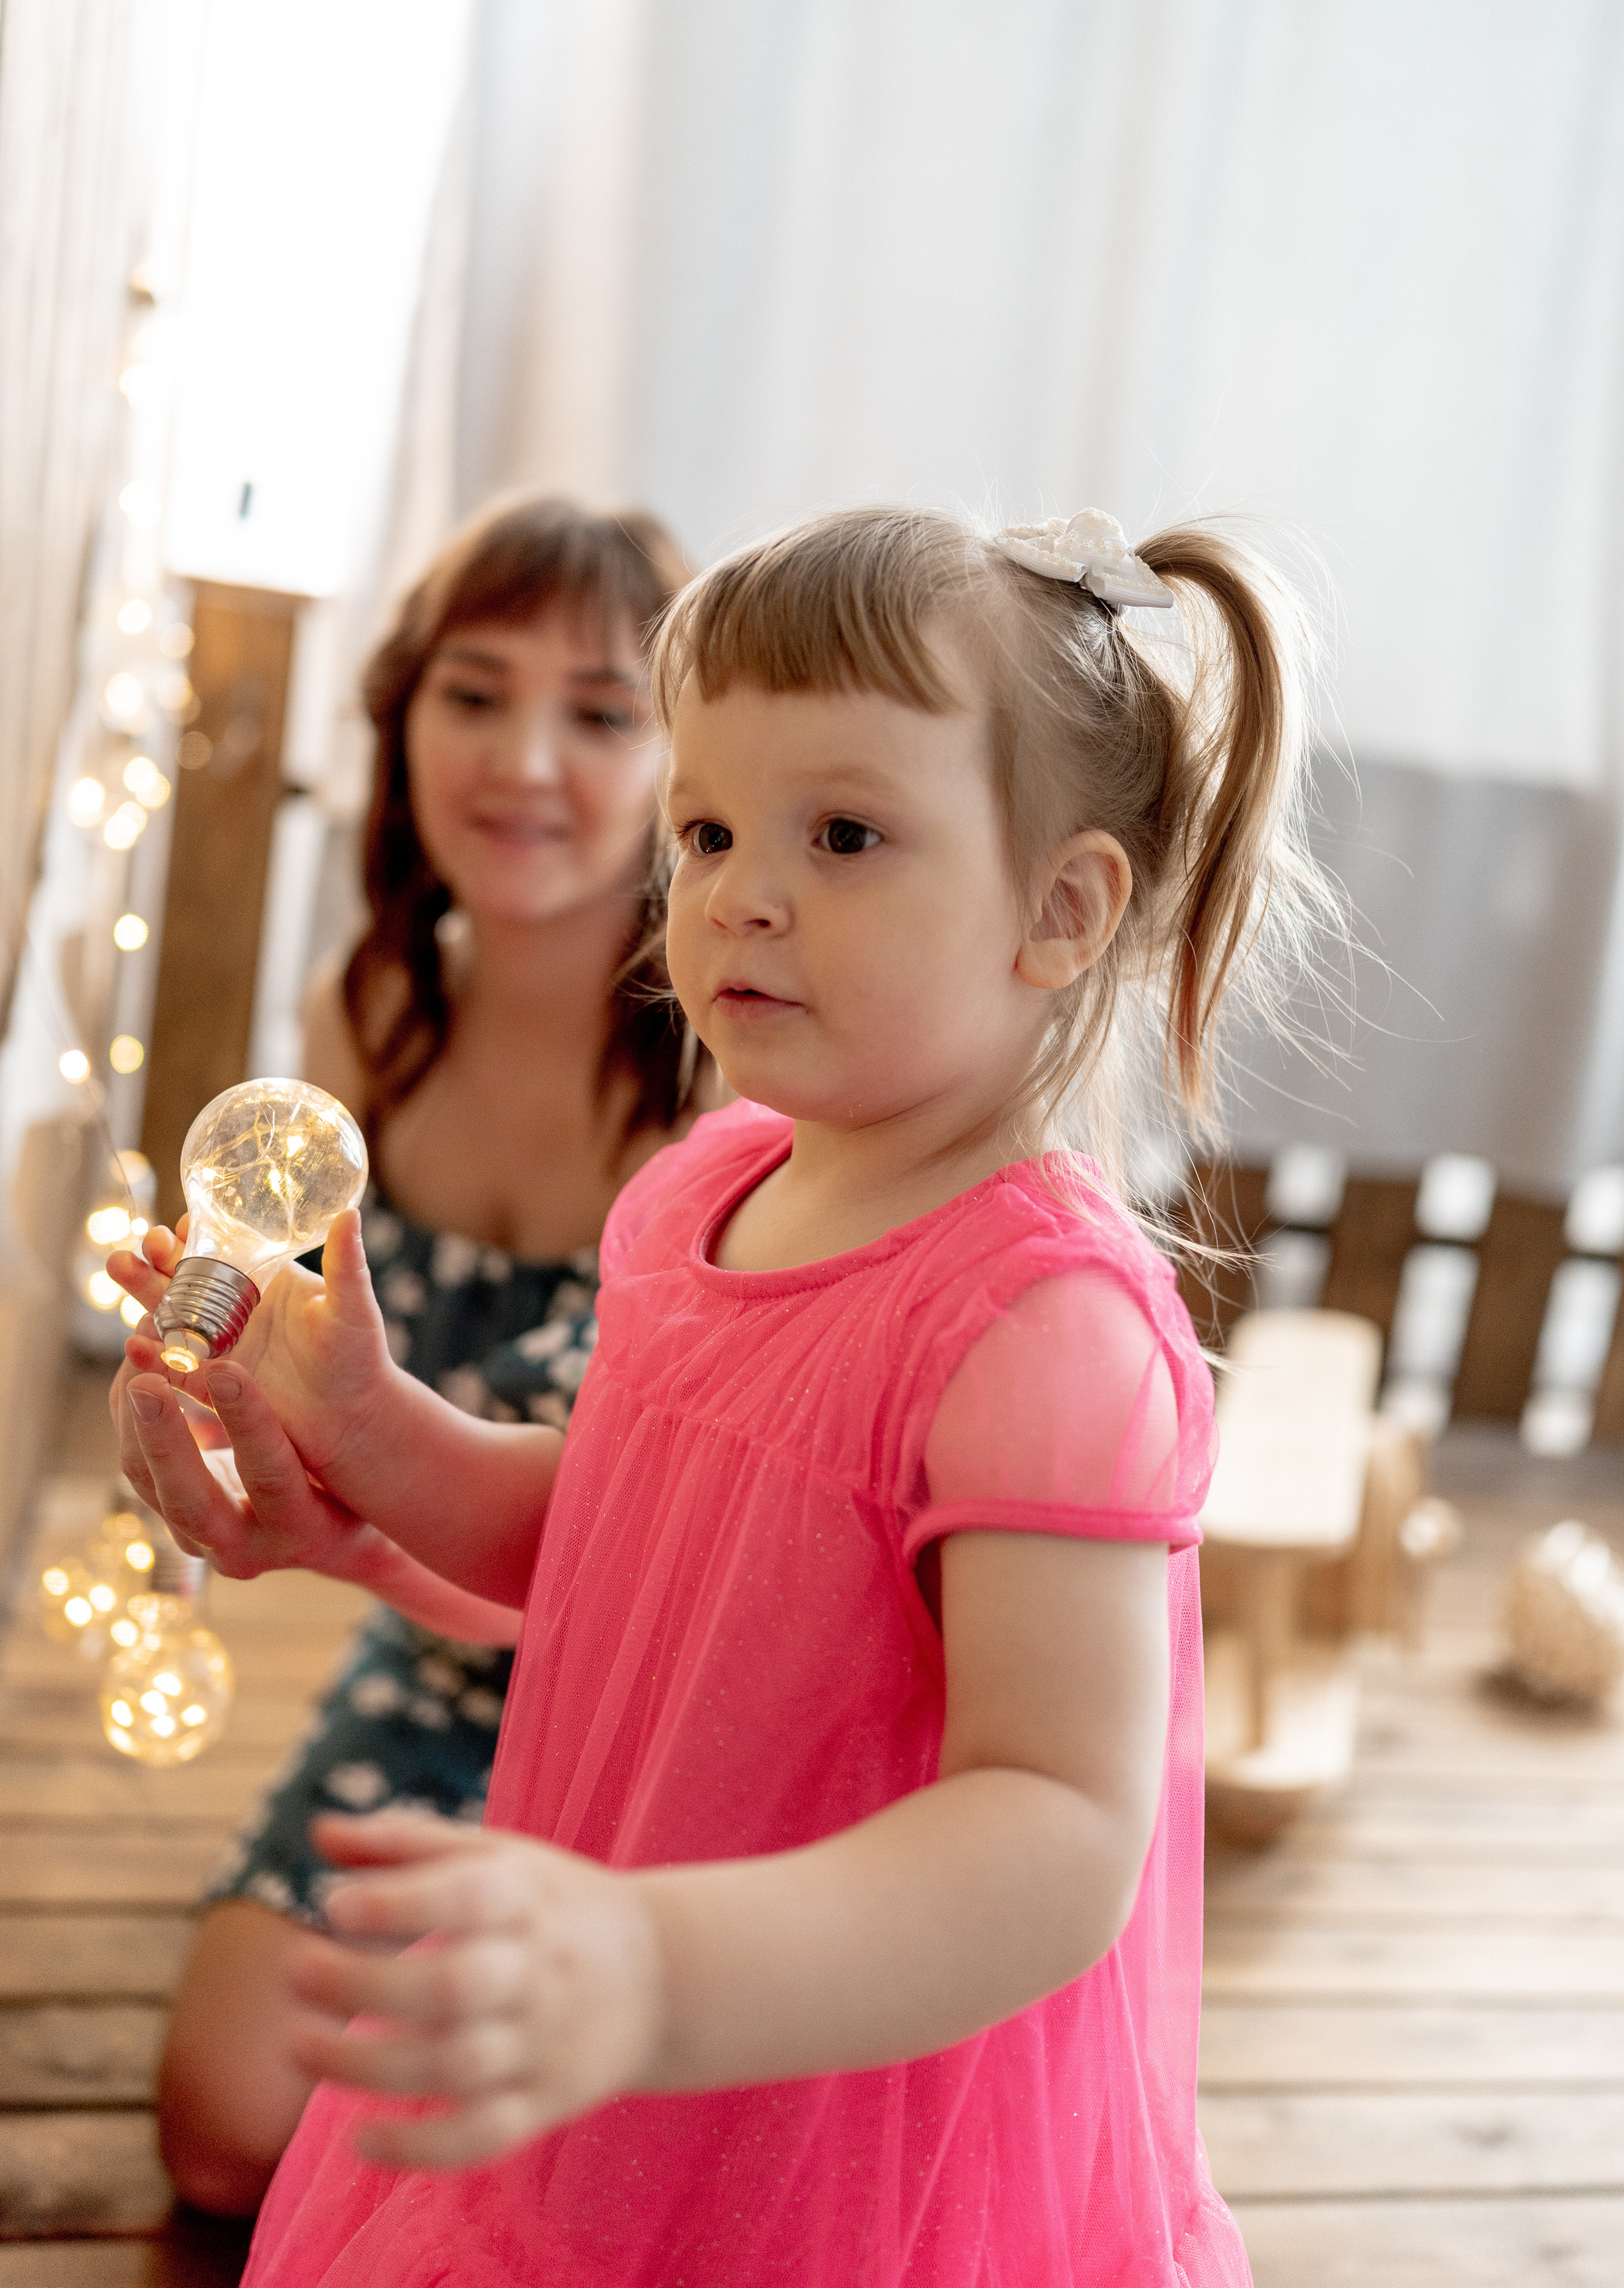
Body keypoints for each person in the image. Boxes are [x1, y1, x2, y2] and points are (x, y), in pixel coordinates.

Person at [116, 502, 1333, 2286]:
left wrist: (659, 1967)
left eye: (844, 834)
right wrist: (380, 1435)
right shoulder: (715, 1188)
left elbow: (1058, 1829)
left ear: (1062, 910)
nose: (739, 892)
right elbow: (622, 1531)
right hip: (623, 1979)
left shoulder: (1045, 1328)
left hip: (831, 2119)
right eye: (707, 828)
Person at [110, 492, 701, 2218]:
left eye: (601, 712)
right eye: (473, 691)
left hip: (679, 1706)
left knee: (572, 2189)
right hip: (443, 1683)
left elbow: (632, 1578)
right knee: (227, 2130)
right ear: (402, 715)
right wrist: (208, 1417)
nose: (524, 761)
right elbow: (258, 1365)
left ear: (689, 757)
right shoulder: (358, 1022)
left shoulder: (728, 1085)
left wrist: (357, 1531)